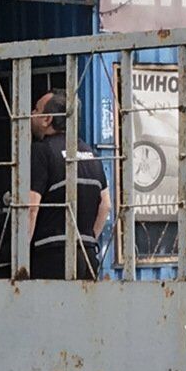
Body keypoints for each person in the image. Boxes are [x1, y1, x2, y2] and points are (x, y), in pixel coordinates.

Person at [28, 89, 110, 279]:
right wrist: (88, 240)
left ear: (47, 119)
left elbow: (31, 208)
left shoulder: (41, 151)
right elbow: (106, 205)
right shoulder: (91, 154)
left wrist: (20, 257)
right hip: (87, 253)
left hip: (52, 255)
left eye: (36, 110)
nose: (31, 114)